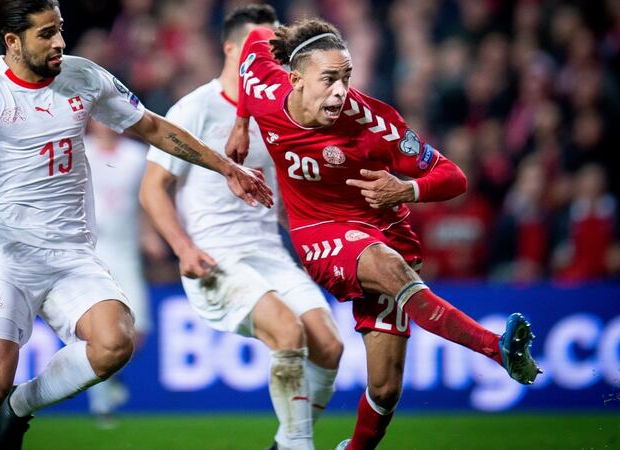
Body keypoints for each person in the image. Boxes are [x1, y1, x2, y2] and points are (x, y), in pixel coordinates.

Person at [0, 1, 272, 449]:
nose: (60, 42)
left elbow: (151, 127)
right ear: (12, 42)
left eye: (60, 29)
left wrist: (224, 166)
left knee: (115, 342)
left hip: (71, 255)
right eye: (46, 33)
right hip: (5, 255)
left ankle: (20, 406)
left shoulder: (83, 76)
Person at [225, 19, 542, 450]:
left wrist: (406, 188)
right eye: (329, 80)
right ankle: (495, 348)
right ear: (296, 80)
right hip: (319, 234)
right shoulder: (265, 93)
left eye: (346, 78)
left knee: (386, 388)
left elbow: (454, 177)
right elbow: (254, 41)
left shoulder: (374, 122)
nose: (341, 91)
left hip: (384, 228)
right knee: (386, 264)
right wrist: (241, 122)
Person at [140, 6, 342, 450]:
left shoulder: (280, 111)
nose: (269, 54)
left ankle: (286, 444)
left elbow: (290, 196)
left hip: (269, 253)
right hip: (217, 258)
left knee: (329, 346)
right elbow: (153, 188)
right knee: (288, 333)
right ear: (231, 48)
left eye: (276, 48)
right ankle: (299, 446)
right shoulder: (195, 107)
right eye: (258, 44)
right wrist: (183, 249)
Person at [84, 120, 161, 426]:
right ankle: (101, 400)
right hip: (91, 250)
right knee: (96, 328)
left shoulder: (137, 155)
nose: (105, 126)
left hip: (126, 249)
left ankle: (111, 377)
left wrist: (150, 233)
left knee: (137, 330)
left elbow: (146, 199)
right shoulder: (82, 150)